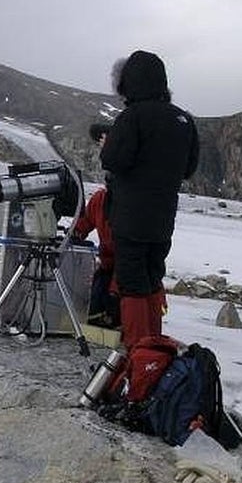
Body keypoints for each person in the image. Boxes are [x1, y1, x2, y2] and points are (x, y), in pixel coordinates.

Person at [100, 50, 199, 349]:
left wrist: (108, 145)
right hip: (163, 219)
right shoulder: (183, 119)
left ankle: (139, 357)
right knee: (153, 279)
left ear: (128, 83)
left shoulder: (132, 117)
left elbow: (114, 161)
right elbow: (189, 169)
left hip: (130, 218)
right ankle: (155, 351)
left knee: (131, 286)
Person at [72, 123, 119, 327]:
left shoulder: (133, 207)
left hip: (127, 270)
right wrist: (73, 236)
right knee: (92, 311)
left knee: (113, 309)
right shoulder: (100, 200)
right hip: (108, 267)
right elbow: (85, 223)